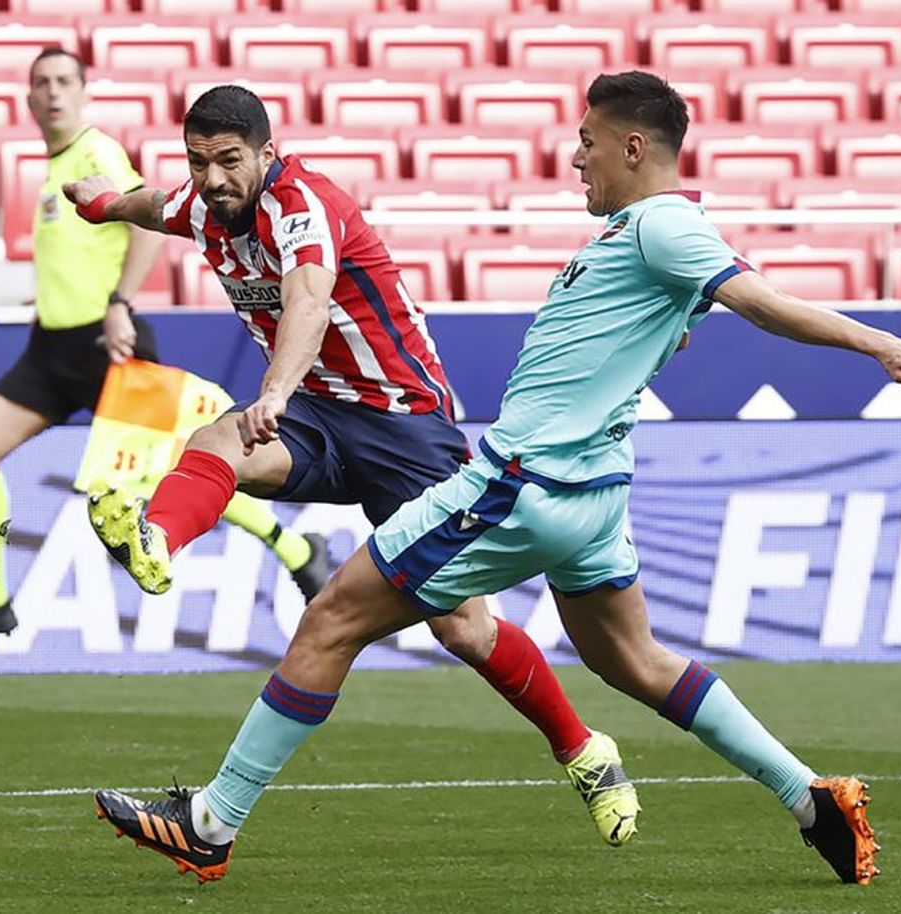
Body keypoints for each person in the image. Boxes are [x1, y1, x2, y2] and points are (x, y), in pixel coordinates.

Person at [88, 71, 901, 886]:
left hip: (522, 482)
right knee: (636, 662)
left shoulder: (665, 223)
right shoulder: (634, 242)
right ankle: (811, 799)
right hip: (591, 500)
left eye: (587, 139)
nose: (573, 154)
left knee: (333, 617)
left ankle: (213, 820)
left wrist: (881, 343)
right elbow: (666, 323)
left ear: (631, 147)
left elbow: (760, 299)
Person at [64, 85, 640, 846]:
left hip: (402, 424)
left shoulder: (305, 204)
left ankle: (584, 750)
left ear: (268, 153)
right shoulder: (205, 205)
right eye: (198, 162)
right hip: (319, 416)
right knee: (215, 445)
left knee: (463, 630)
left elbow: (307, 297)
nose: (212, 178)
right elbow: (150, 205)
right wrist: (103, 203)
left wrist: (274, 390)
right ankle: (157, 544)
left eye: (229, 161)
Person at [0, 52, 324, 642]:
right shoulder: (54, 165)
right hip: (52, 348)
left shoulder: (95, 152)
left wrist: (119, 303)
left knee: (169, 474)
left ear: (84, 93)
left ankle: (293, 547)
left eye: (64, 82)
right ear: (28, 99)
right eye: (42, 84)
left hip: (109, 345)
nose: (53, 93)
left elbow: (146, 229)